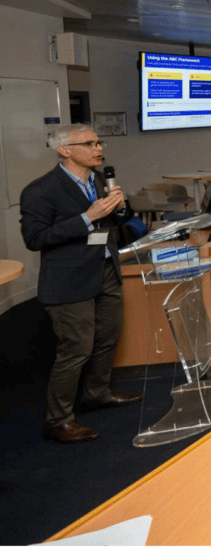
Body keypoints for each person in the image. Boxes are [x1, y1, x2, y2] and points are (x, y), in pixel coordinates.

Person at [20, 124, 138, 443]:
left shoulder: (97, 180)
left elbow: (109, 222)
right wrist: (86, 218)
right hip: (68, 281)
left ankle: (96, 393)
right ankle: (59, 420)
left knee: (108, 337)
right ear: (65, 150)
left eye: (99, 142)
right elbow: (34, 238)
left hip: (105, 269)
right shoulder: (40, 190)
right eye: (89, 143)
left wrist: (119, 208)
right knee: (76, 350)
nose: (98, 148)